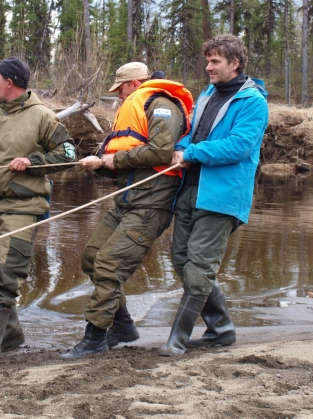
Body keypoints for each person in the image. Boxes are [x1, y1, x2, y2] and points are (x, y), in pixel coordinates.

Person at [61, 62, 193, 359]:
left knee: (109, 264)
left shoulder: (162, 105)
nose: (119, 95)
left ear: (135, 84)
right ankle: (122, 326)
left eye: (120, 89)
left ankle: (94, 337)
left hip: (150, 206)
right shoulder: (134, 107)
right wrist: (100, 164)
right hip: (127, 202)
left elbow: (160, 152)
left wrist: (116, 161)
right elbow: (128, 161)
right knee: (92, 258)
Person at [0, 56, 77, 367]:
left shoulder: (42, 116)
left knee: (5, 273)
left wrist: (34, 161)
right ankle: (10, 333)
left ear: (10, 83)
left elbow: (69, 154)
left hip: (24, 207)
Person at [159, 34, 269, 356]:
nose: (208, 66)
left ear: (234, 64)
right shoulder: (208, 93)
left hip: (223, 195)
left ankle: (177, 339)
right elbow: (193, 132)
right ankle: (221, 327)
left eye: (215, 61)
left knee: (200, 265)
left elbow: (240, 146)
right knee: (181, 258)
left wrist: (192, 152)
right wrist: (180, 148)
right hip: (191, 188)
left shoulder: (253, 102)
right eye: (207, 60)